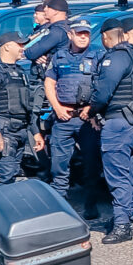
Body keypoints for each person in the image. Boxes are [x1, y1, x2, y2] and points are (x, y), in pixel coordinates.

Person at [90, 17, 133, 243]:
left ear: (107, 37)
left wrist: (91, 112)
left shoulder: (116, 58)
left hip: (117, 123)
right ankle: (132, 219)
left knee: (117, 175)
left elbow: (102, 94)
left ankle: (121, 224)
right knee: (130, 173)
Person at [43, 16, 101, 209]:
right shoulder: (59, 56)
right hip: (64, 117)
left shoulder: (98, 56)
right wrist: (57, 108)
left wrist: (90, 108)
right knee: (59, 164)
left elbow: (102, 86)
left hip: (87, 119)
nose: (84, 37)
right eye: (79, 34)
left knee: (91, 164)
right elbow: (49, 83)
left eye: (87, 34)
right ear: (70, 34)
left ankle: (91, 205)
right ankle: (60, 206)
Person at [0, 29, 44, 186]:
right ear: (6, 47)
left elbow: (27, 106)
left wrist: (35, 133)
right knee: (5, 176)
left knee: (13, 174)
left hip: (20, 131)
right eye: (19, 44)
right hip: (4, 130)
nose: (23, 48)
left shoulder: (21, 72)